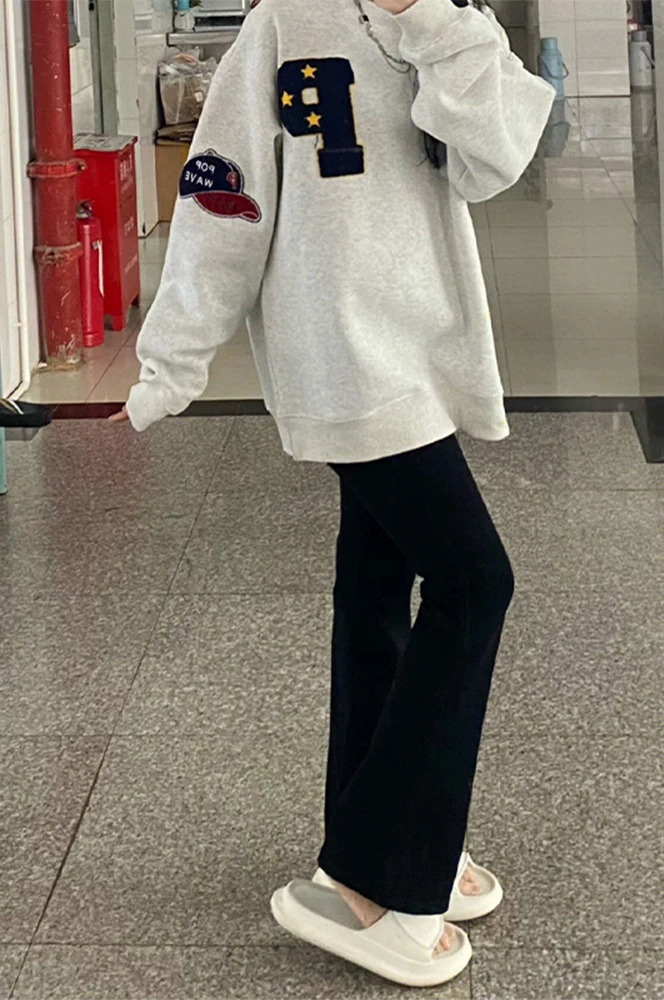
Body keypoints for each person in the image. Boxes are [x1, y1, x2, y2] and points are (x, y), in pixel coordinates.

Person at [110, 0, 555, 985]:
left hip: (423, 355)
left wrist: (431, 22)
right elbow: (223, 197)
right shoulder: (282, 26)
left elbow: (495, 159)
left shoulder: (449, 22)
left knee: (376, 593)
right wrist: (170, 362)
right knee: (474, 582)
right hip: (347, 363)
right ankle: (376, 874)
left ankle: (380, 837)